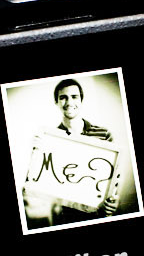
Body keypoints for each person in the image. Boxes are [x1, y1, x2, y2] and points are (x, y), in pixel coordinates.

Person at [23, 78, 120, 228]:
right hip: (66, 217)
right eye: (63, 97)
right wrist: (35, 155)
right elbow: (38, 181)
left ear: (81, 100)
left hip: (99, 213)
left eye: (74, 96)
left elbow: (114, 177)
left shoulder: (104, 134)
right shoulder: (48, 140)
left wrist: (114, 200)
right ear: (56, 102)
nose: (69, 102)